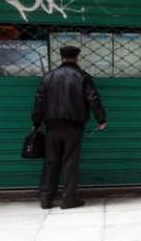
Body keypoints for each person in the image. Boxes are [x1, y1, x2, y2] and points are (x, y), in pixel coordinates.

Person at [31, 45, 107, 210]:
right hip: (73, 125)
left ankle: (46, 199)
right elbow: (92, 98)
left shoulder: (48, 76)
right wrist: (101, 119)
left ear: (61, 58)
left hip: (52, 125)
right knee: (70, 162)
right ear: (76, 58)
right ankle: (68, 199)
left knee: (51, 162)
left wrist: (36, 123)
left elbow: (39, 100)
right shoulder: (82, 76)